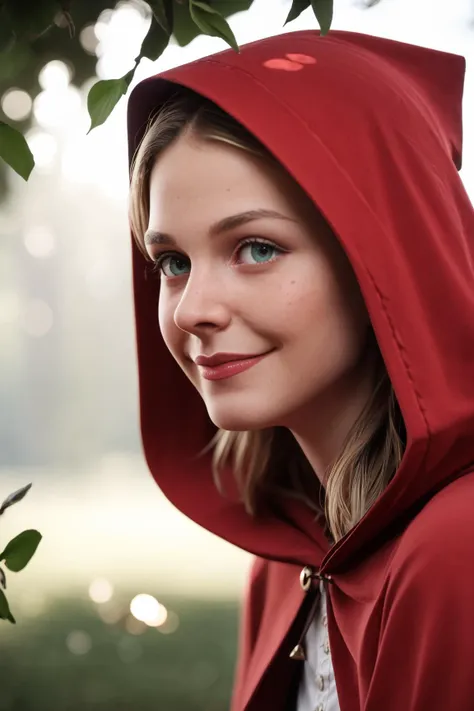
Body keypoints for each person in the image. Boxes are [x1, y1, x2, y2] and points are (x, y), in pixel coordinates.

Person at [126, 28, 474, 711]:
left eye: (256, 248)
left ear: (383, 257)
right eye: (173, 261)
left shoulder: (458, 547)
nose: (193, 308)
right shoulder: (288, 565)